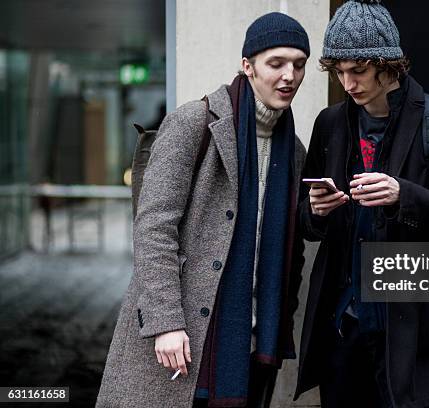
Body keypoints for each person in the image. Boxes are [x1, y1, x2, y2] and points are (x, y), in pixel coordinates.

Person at [97, 12, 310, 408]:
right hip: (185, 335)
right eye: (276, 63)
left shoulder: (293, 151)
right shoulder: (194, 123)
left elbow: (288, 248)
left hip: (251, 341)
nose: (289, 76)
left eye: (299, 64)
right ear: (247, 66)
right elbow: (154, 228)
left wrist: (279, 318)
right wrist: (166, 324)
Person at [294, 1, 429, 407]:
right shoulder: (330, 123)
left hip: (414, 335)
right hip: (344, 329)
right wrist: (316, 211)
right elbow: (306, 222)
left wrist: (403, 196)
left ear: (388, 63)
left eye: (357, 71)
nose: (348, 83)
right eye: (339, 72)